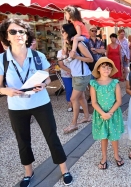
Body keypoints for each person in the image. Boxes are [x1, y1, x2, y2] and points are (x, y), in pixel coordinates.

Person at [0, 18, 73, 186]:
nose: (18, 34)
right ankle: (28, 172)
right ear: (6, 36)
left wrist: (44, 84)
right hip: (16, 106)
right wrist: (6, 91)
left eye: (21, 31)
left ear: (27, 35)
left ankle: (64, 169)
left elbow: (47, 79)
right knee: (23, 140)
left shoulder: (38, 56)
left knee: (51, 136)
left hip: (41, 103)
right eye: (13, 31)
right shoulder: (2, 59)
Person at [90, 57, 124, 169]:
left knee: (114, 136)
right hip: (100, 115)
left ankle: (116, 155)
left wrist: (109, 113)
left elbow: (119, 101)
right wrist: (103, 114)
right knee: (103, 136)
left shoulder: (115, 83)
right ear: (98, 69)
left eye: (109, 67)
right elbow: (94, 102)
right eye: (104, 67)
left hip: (113, 114)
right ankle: (104, 157)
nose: (106, 69)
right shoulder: (94, 84)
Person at [61, 23, 93, 134]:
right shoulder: (70, 44)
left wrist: (77, 57)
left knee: (73, 99)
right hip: (76, 75)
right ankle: (87, 117)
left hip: (82, 75)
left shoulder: (79, 44)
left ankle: (73, 124)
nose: (62, 34)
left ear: (69, 32)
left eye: (63, 31)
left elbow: (90, 59)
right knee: (81, 97)